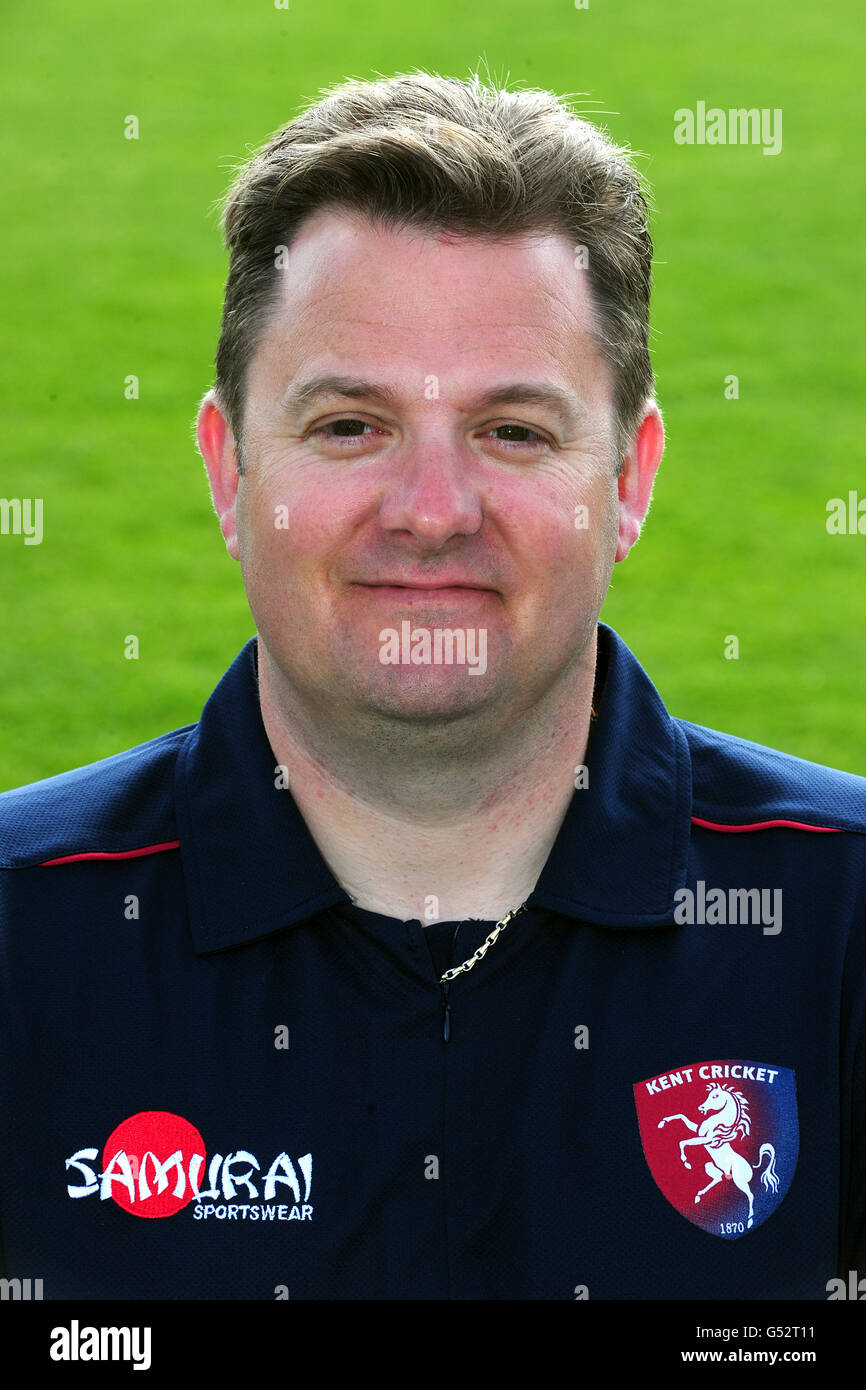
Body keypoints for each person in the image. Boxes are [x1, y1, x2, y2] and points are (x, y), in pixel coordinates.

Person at [1, 69, 864, 1302]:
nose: (430, 514)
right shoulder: (23, 936)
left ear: (628, 478)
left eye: (513, 430)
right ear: (227, 467)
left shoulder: (840, 921)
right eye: (349, 425)